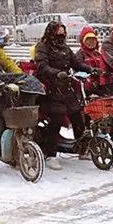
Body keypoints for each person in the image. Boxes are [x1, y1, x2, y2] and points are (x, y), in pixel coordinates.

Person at [34, 20, 95, 169]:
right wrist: (57, 73)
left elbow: (76, 64)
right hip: (49, 89)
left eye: (63, 33)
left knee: (77, 115)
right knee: (57, 118)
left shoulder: (65, 48)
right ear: (51, 33)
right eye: (58, 33)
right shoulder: (42, 47)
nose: (61, 36)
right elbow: (42, 66)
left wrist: (90, 70)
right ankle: (51, 154)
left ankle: (82, 148)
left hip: (66, 87)